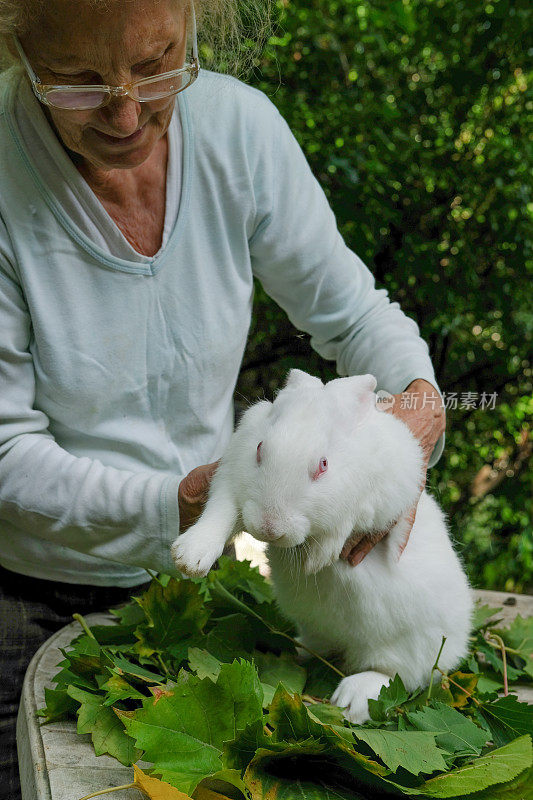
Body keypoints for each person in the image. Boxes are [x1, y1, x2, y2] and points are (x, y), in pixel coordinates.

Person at [0, 0, 446, 795]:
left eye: (157, 61)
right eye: (75, 80)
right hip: (26, 596)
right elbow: (5, 453)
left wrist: (414, 416)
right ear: (17, 47)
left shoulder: (240, 132)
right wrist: (194, 503)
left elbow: (351, 315)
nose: (126, 111)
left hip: (193, 589)